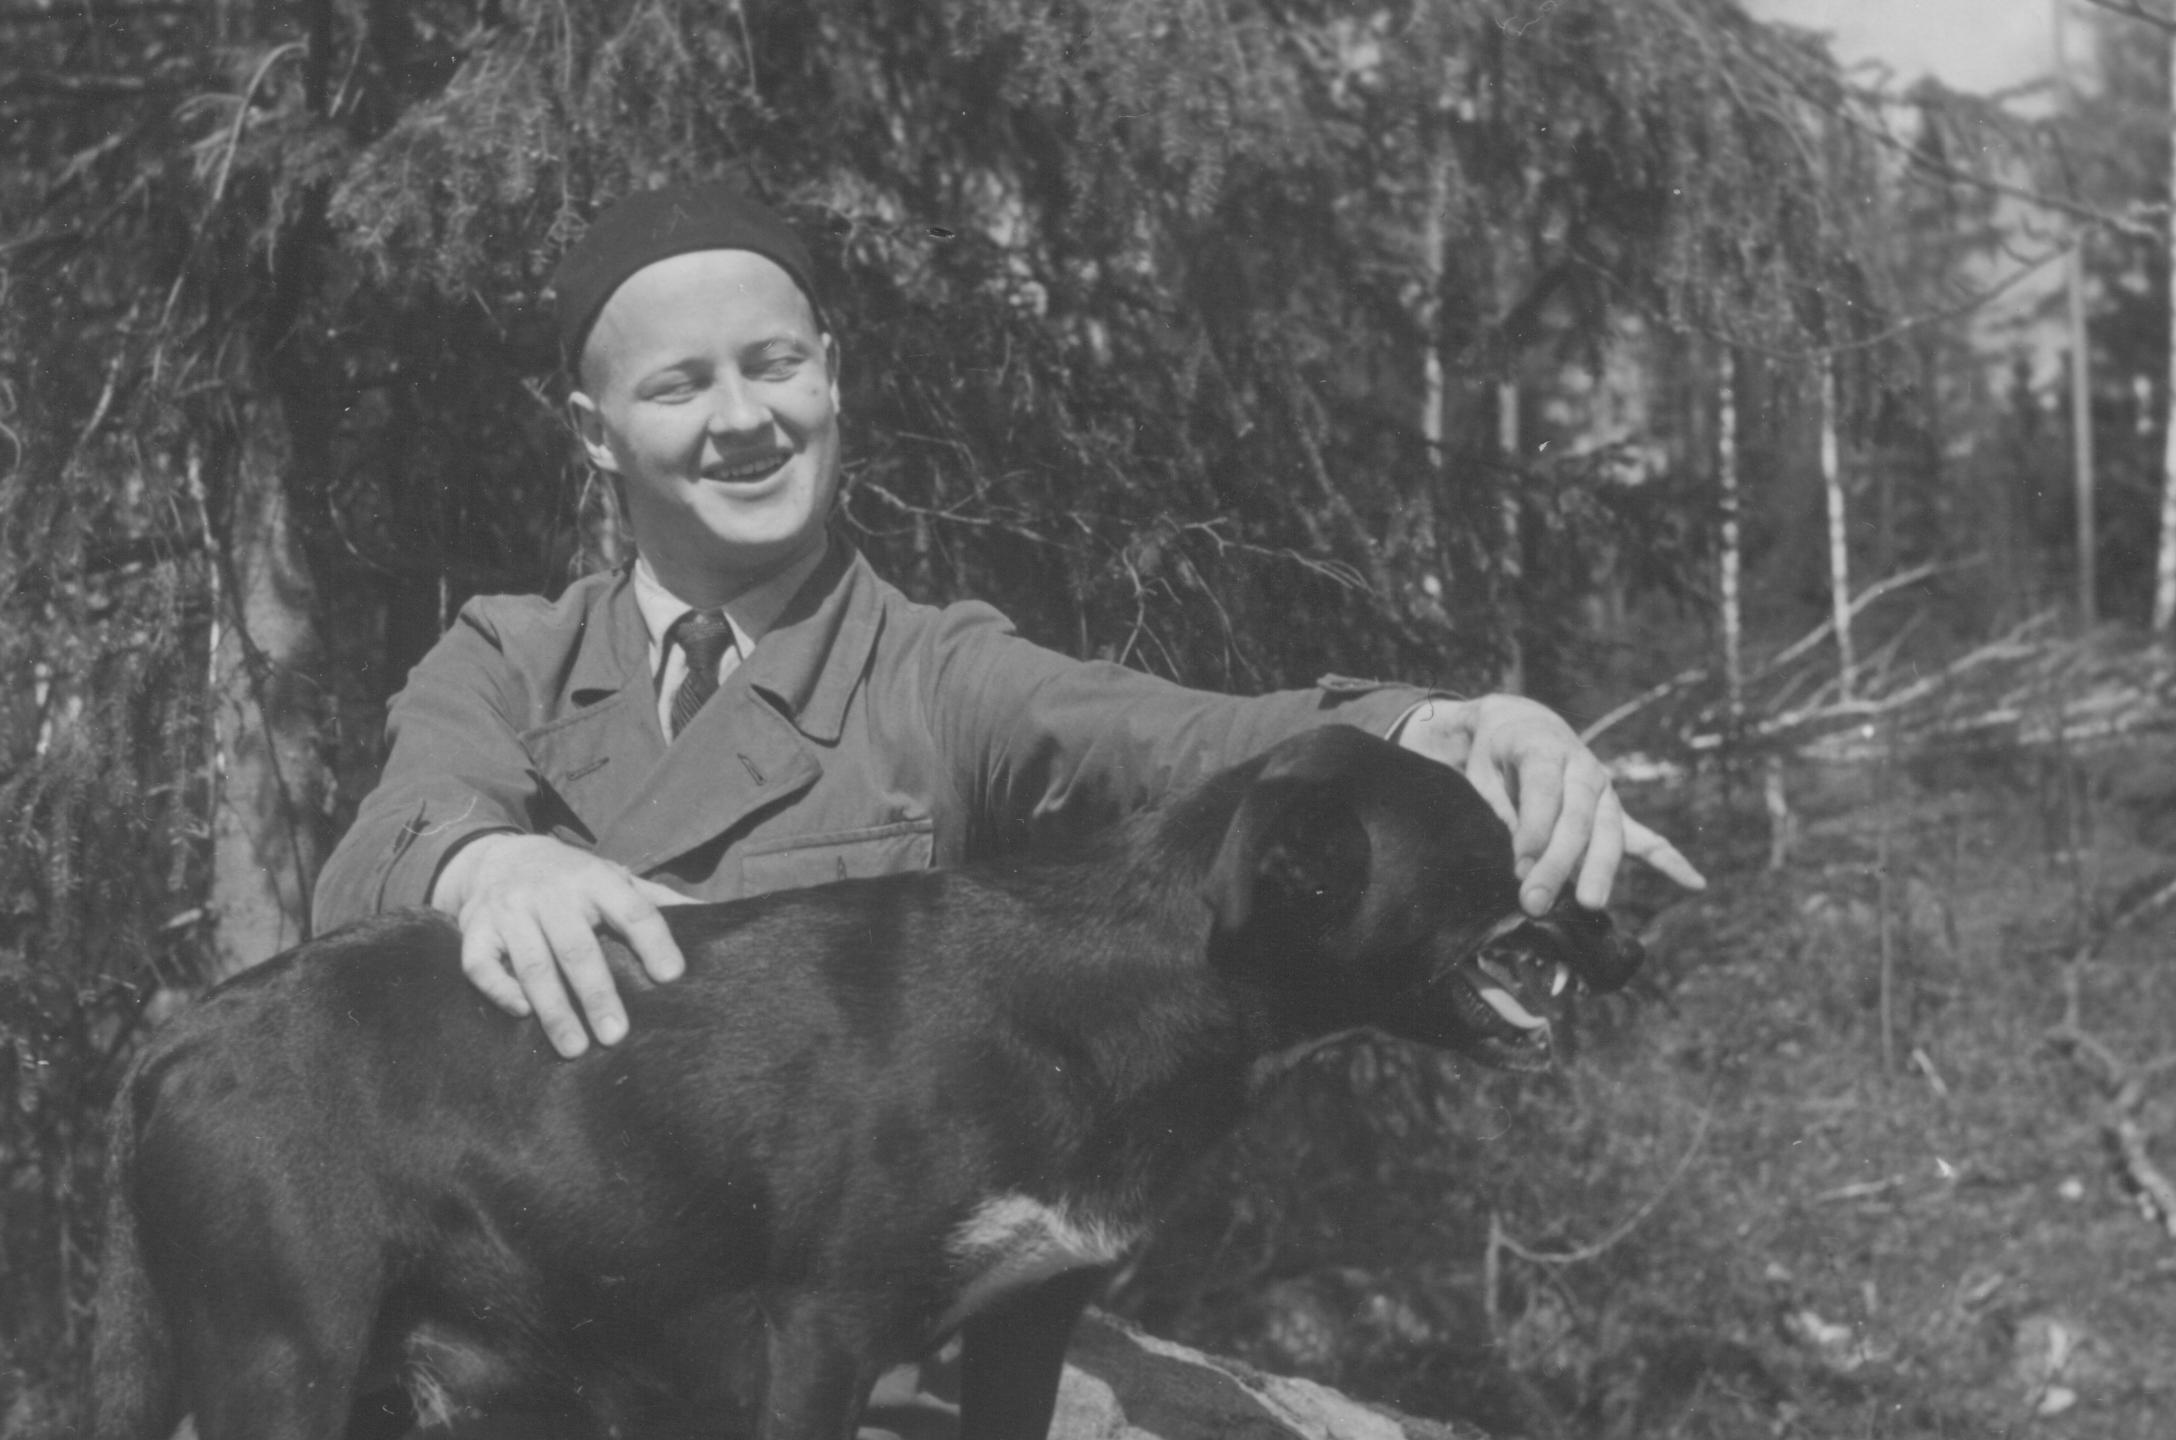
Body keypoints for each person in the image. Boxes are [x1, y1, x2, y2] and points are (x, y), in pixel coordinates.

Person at [312, 177, 1703, 1062]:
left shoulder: (935, 676)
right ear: (594, 434)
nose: (743, 420)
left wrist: (1444, 728)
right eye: (679, 387)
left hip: (815, 1347)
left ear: (831, 376)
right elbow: (379, 851)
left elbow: (1181, 739)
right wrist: (491, 865)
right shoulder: (509, 656)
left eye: (775, 365)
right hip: (528, 1325)